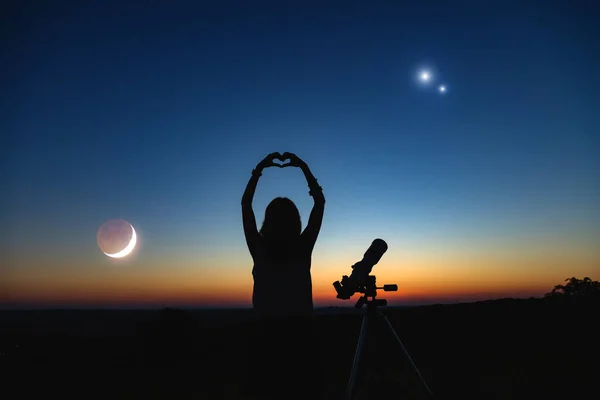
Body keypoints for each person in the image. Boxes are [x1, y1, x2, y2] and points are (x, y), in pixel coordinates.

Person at [241, 152, 326, 399]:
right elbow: (319, 203)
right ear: (295, 221)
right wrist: (304, 167)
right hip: (301, 337)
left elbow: (245, 205)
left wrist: (258, 170)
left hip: (265, 336)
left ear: (267, 221)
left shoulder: (259, 248)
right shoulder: (302, 247)